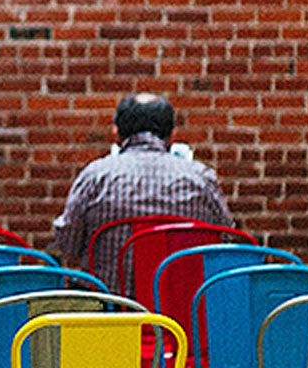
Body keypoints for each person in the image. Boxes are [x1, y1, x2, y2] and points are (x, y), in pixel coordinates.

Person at [50, 92, 234, 286]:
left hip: (111, 309)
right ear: (172, 135)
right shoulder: (201, 179)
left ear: (117, 134)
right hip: (183, 309)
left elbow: (68, 245)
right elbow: (228, 240)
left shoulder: (95, 176)